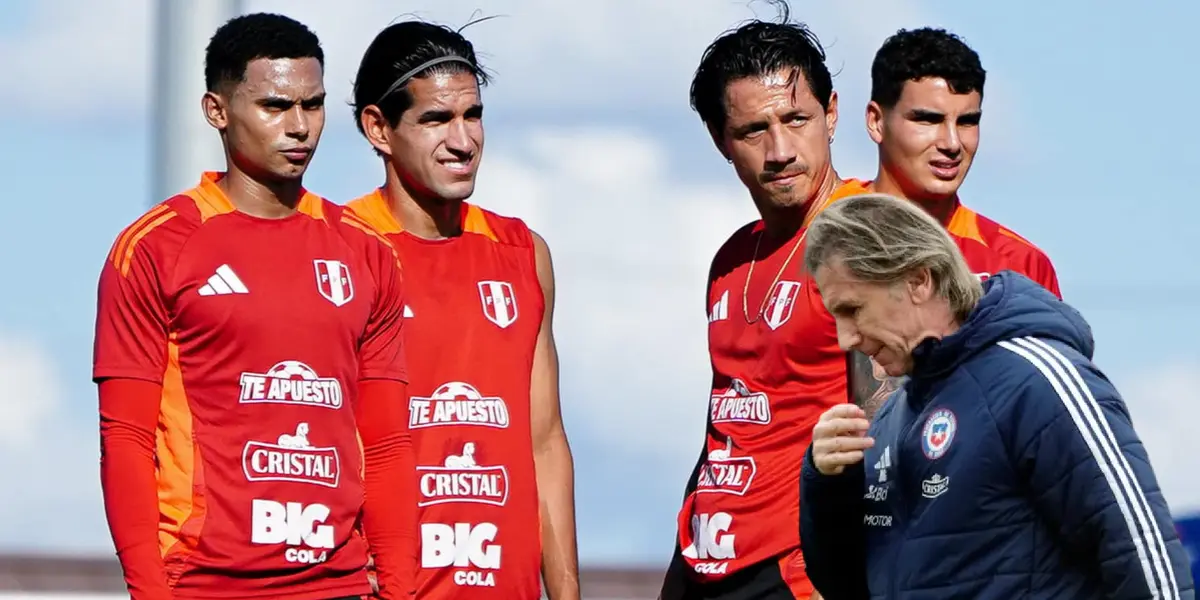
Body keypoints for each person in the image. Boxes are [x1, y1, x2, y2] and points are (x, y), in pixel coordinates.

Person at [93, 13, 415, 600]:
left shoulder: (366, 252)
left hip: (336, 586)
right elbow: (126, 438)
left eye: (313, 105)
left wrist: (398, 590)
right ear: (217, 110)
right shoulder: (156, 247)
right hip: (203, 585)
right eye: (274, 106)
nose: (299, 127)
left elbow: (387, 443)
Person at [797, 193, 1195, 599]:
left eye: (853, 310)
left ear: (918, 281)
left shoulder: (1036, 380)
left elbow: (1142, 551)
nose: (845, 338)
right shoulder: (890, 418)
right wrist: (828, 485)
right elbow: (849, 586)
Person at [344, 19, 580, 600]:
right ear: (378, 128)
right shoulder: (338, 249)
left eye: (472, 115)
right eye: (436, 119)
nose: (463, 140)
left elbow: (545, 442)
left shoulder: (523, 253)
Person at [659, 4, 869, 599]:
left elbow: (898, 429)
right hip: (708, 564)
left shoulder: (866, 238)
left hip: (800, 571)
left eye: (796, 119)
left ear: (831, 115)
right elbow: (726, 428)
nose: (780, 150)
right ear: (721, 140)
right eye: (755, 130)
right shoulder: (731, 259)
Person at [847, 27, 1062, 417]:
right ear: (876, 121)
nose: (951, 143)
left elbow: (1048, 415)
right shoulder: (820, 235)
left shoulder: (1019, 265)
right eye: (928, 119)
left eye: (967, 121)